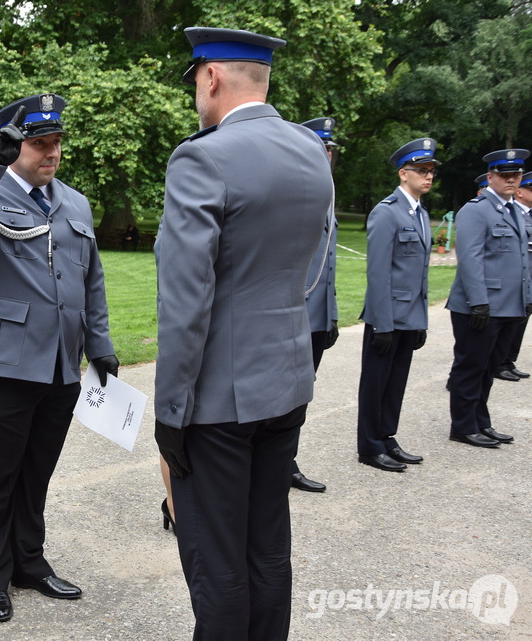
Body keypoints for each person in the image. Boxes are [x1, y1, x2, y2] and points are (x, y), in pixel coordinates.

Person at [154, 28, 333, 641]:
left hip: (218, 400)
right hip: (285, 379)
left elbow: (185, 300)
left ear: (211, 78)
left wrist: (170, 414)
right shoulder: (310, 149)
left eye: (195, 83)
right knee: (267, 550)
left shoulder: (202, 156)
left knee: (217, 564)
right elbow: (314, 264)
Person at [0, 93, 119, 623]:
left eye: (56, 142)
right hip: (5, 361)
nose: (51, 153)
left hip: (61, 361)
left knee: (37, 471)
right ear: (15, 147)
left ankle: (28, 562)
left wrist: (99, 344)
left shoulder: (74, 203)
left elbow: (91, 280)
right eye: (39, 144)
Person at [355, 138, 438, 472]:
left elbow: (419, 276)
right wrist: (382, 324)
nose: (428, 176)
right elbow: (378, 274)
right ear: (404, 174)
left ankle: (387, 437)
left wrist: (421, 321)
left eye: (431, 171)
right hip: (387, 316)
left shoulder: (420, 214)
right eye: (422, 170)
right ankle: (369, 447)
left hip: (409, 316)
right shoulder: (386, 212)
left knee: (396, 382)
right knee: (375, 383)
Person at [446, 149, 531, 448]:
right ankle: (463, 425)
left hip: (508, 305)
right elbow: (470, 259)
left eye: (516, 175)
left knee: (488, 368)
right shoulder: (476, 210)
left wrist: (527, 296)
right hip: (480, 306)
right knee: (471, 366)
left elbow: (521, 260)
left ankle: (481, 421)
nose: (511, 179)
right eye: (504, 174)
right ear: (491, 176)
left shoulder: (513, 211)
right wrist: (479, 301)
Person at [292, 116, 341, 492]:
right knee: (287, 395)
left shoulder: (328, 195)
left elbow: (329, 267)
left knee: (304, 392)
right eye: (319, 146)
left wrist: (333, 316)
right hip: (293, 314)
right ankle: (281, 461)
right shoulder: (298, 192)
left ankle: (287, 460)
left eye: (329, 148)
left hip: (318, 316)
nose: (325, 154)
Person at [493, 170, 532, 381]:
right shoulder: (513, 214)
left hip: (527, 280)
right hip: (512, 281)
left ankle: (507, 360)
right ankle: (499, 362)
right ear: (519, 192)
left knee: (520, 323)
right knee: (509, 323)